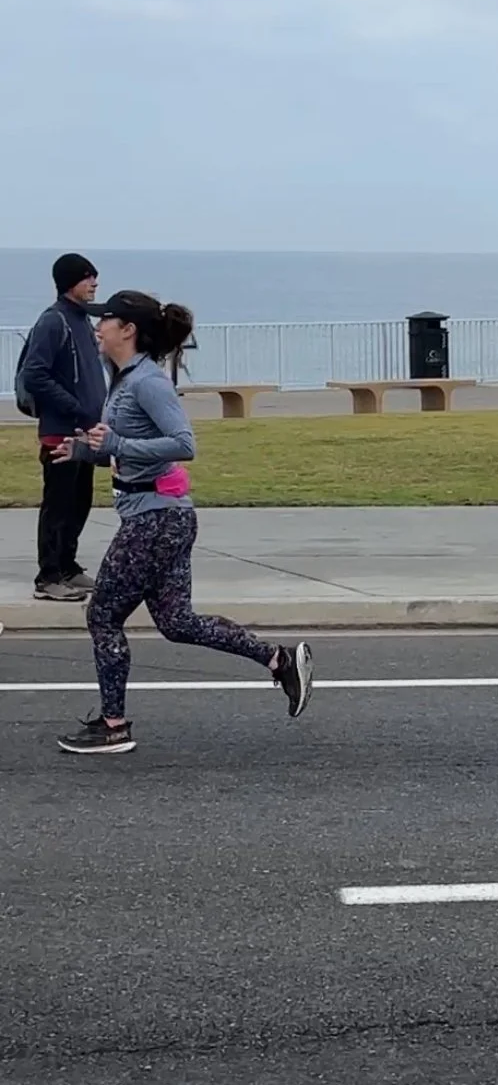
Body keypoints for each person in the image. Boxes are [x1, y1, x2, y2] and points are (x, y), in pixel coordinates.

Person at [51, 291, 313, 755]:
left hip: (155, 521)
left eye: (104, 319)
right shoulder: (124, 379)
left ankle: (113, 726)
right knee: (177, 622)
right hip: (163, 518)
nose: (98, 327)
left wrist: (117, 444)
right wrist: (86, 450)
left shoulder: (146, 382)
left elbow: (183, 443)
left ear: (127, 330)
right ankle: (278, 659)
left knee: (103, 616)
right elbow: (123, 447)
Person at [20, 253, 108, 603]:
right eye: (88, 278)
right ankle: (49, 576)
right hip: (61, 432)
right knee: (58, 505)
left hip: (85, 431)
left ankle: (68, 566)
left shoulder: (82, 320)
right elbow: (35, 374)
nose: (94, 283)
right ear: (71, 282)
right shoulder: (53, 322)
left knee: (79, 502)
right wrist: (77, 410)